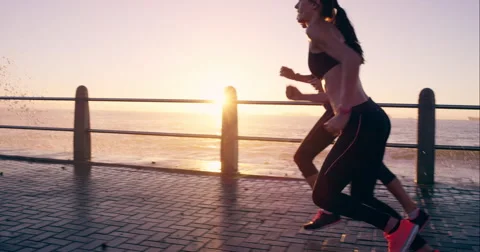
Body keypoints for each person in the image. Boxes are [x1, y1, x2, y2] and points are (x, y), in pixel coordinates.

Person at [285, 0, 438, 251]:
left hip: (360, 120)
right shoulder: (327, 29)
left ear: (314, 4)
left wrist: (343, 113)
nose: (295, 6)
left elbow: (352, 61)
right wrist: (301, 84)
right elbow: (334, 79)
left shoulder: (316, 30)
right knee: (362, 196)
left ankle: (399, 229)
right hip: (371, 118)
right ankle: (419, 246)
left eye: (300, 1)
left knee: (323, 195)